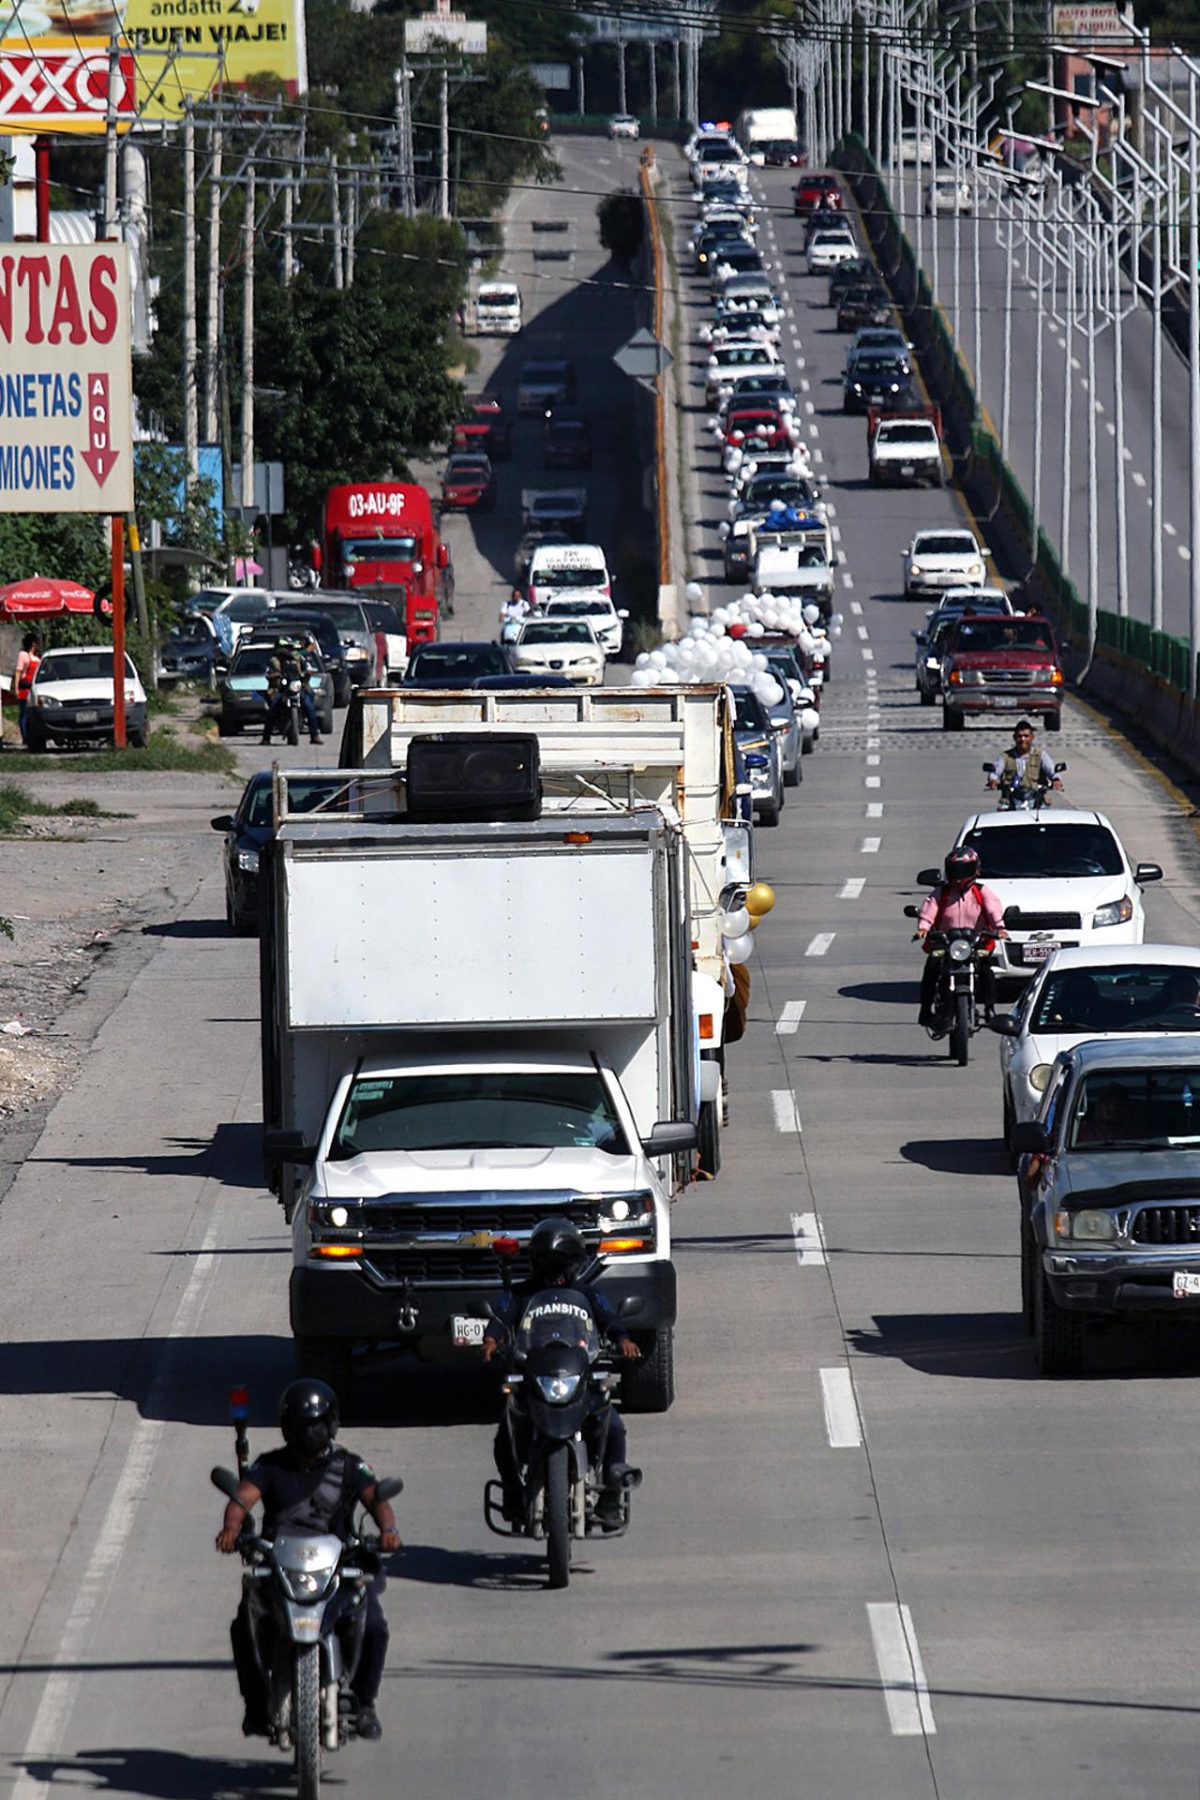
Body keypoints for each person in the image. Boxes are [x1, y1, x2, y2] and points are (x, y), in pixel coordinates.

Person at [216, 1379, 400, 1742]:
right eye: (302, 1425)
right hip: (279, 1567)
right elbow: (242, 1499)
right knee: (244, 1625)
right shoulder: (270, 1467)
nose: (310, 1432)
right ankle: (255, 1706)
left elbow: (376, 1498)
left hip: (337, 1566)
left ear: (330, 1424)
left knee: (374, 1624)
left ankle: (364, 1704)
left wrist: (389, 1530)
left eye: (317, 1424)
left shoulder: (348, 1465)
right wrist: (231, 1529)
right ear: (287, 1427)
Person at [482, 1218, 640, 1529]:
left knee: (614, 1427)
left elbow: (609, 1319)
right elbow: (500, 1319)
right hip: (533, 1377)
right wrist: (491, 1340)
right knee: (506, 1433)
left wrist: (623, 1340)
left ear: (575, 1265)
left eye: (562, 1266)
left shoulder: (589, 1295)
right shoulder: (519, 1294)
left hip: (578, 1376)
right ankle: (513, 1490)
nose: (555, 1274)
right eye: (547, 1266)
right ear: (535, 1264)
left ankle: (610, 1495)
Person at [915, 845, 1007, 1029]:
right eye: (955, 870)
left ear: (976, 869)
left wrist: (1000, 928)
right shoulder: (941, 892)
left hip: (975, 941)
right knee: (932, 966)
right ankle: (925, 1009)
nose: (958, 876)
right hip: (945, 941)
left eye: (964, 870)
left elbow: (994, 910)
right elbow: (929, 910)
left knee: (987, 969)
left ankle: (989, 1008)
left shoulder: (981, 892)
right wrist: (923, 928)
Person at [263, 639, 321, 746]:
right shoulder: (274, 660)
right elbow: (267, 673)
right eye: (284, 648)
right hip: (281, 689)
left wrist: (307, 673)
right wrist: (273, 676)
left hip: (297, 687)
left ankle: (315, 735)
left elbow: (308, 668)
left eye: (289, 648)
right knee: (272, 710)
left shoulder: (299, 658)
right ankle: (266, 738)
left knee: (310, 708)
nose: (286, 651)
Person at [987, 720, 1061, 795]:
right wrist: (993, 780)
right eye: (1019, 736)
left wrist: (1056, 780)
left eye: (1026, 736)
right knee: (1002, 807)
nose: (1022, 739)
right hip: (1010, 799)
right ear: (1014, 737)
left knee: (1046, 806)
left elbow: (1051, 770)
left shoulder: (1041, 755)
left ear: (1032, 737)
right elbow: (995, 772)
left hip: (1036, 799)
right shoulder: (1005, 756)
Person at [13, 632, 40, 746]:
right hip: (24, 688)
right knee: (24, 714)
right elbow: (18, 671)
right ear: (33, 644)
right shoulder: (23, 655)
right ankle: (25, 736)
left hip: (33, 689)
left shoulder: (36, 657)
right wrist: (16, 688)